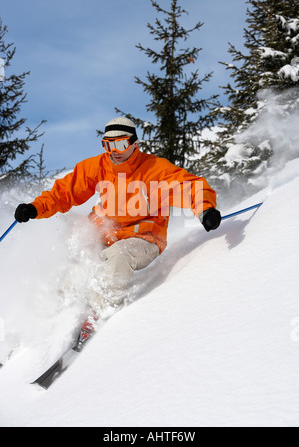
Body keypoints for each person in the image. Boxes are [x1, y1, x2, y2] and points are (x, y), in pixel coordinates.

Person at [14, 117, 221, 336]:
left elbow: (189, 187)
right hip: (106, 233)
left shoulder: (155, 169)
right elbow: (66, 191)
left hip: (144, 239)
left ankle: (98, 315)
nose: (115, 151)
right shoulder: (99, 167)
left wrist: (205, 210)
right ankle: (54, 313)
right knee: (78, 242)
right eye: (108, 145)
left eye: (121, 144)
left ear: (134, 143)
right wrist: (35, 208)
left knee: (119, 255)